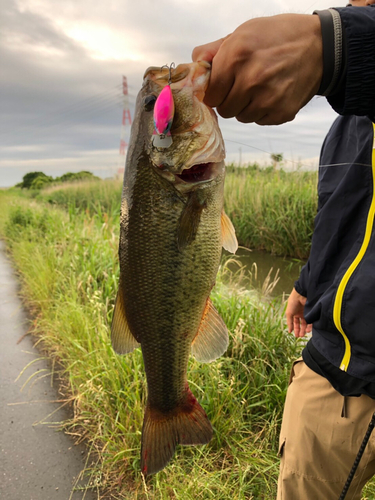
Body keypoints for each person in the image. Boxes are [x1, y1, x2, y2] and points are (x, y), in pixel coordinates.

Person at [193, 1, 375, 498]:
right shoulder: (347, 120)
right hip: (333, 367)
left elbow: (344, 41)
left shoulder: (344, 51)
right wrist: (306, 282)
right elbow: (340, 217)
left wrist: (333, 45)